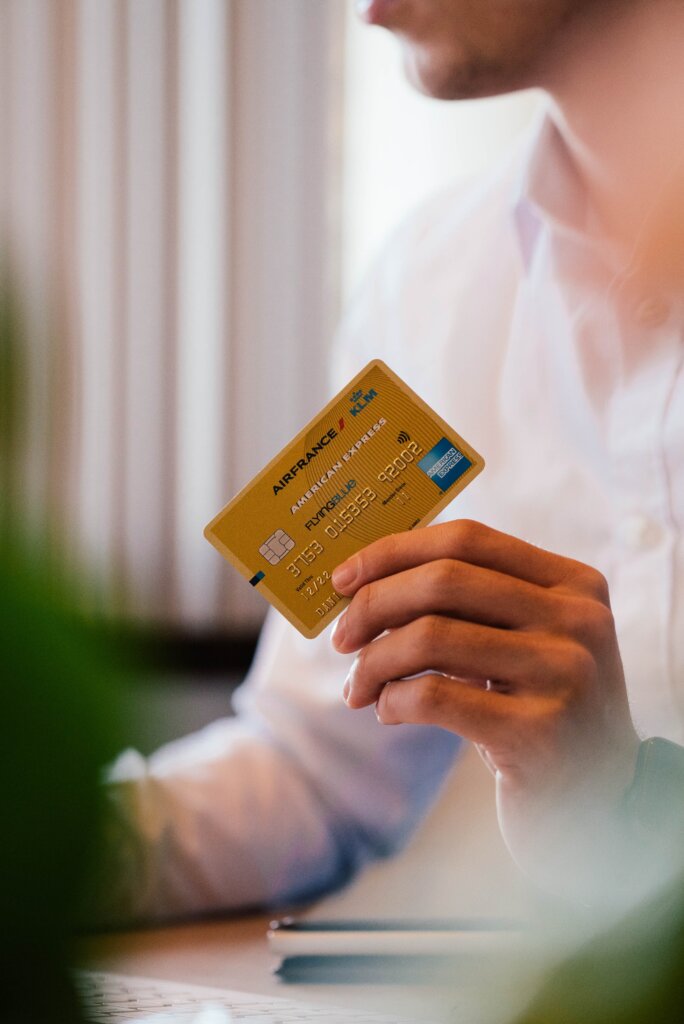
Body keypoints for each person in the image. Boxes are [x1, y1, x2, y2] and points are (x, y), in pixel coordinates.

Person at [102, 0, 684, 923]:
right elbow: (316, 770)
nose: (365, 8)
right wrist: (54, 843)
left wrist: (631, 799)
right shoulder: (427, 277)